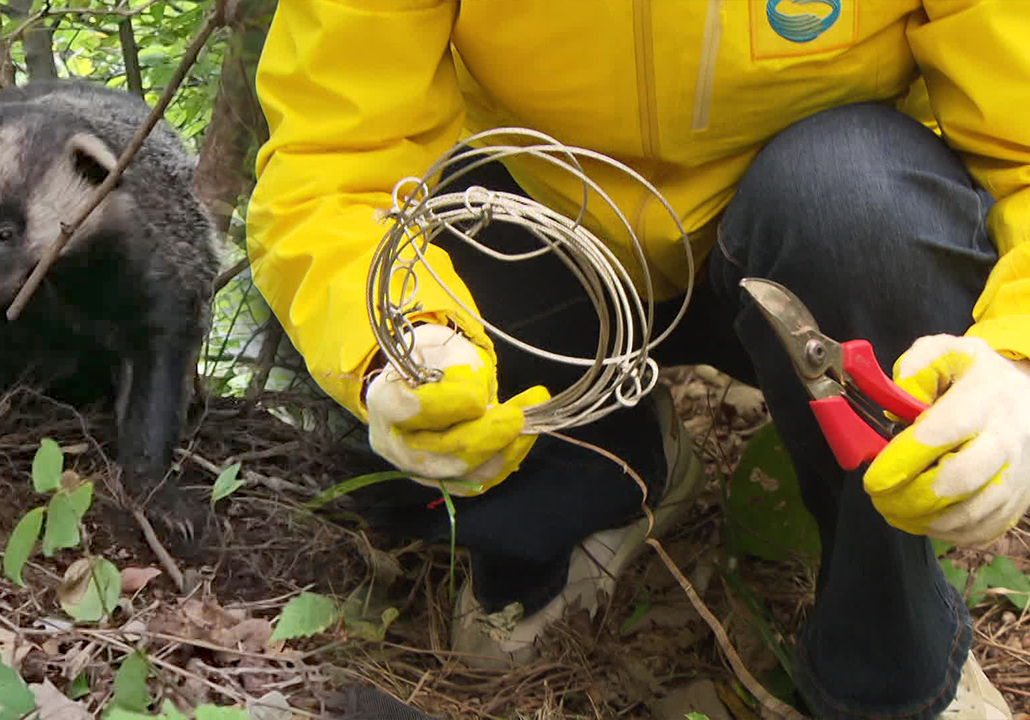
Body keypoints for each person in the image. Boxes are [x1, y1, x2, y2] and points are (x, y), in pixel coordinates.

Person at [244, 2, 1030, 718]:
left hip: (810, 228)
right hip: (552, 224)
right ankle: (597, 485)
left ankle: (891, 651)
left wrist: (1017, 358)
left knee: (857, 208)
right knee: (451, 221)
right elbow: (335, 163)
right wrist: (396, 345)